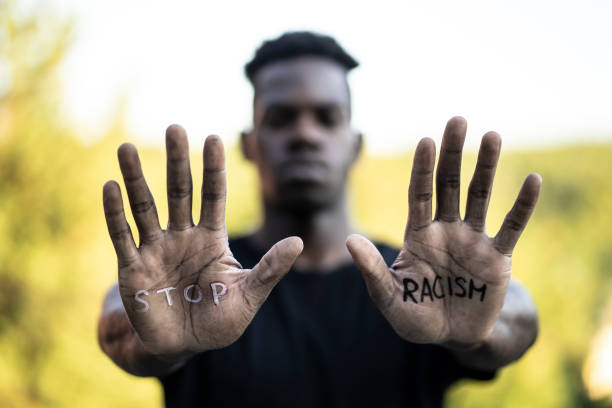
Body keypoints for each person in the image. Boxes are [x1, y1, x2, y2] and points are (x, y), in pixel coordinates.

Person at [98, 31, 542, 407]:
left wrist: (477, 333)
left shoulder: (416, 284)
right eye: (281, 118)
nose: (305, 134)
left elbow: (520, 318)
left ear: (355, 144)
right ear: (249, 144)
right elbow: (119, 319)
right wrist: (152, 339)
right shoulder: (199, 282)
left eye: (327, 118)